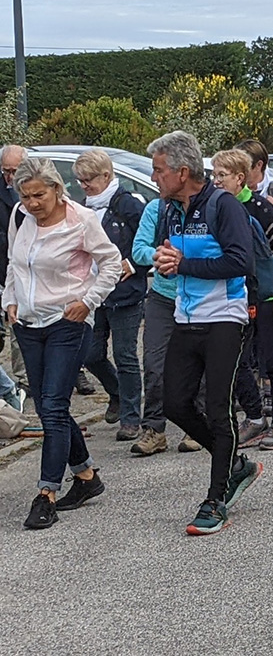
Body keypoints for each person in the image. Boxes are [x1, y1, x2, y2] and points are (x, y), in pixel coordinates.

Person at [149, 131, 263, 536]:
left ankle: (216, 499)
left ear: (183, 171)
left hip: (225, 318)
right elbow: (173, 254)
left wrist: (183, 265)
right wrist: (165, 260)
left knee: (219, 409)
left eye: (159, 170)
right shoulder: (169, 208)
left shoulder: (223, 205)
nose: (154, 176)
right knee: (175, 404)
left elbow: (240, 262)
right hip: (186, 317)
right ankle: (233, 461)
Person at [4, 158, 122, 529]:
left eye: (39, 194)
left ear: (57, 188)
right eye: (25, 196)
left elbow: (113, 264)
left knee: (53, 406)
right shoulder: (20, 218)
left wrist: (87, 301)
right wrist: (8, 298)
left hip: (66, 322)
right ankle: (87, 477)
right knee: (48, 406)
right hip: (27, 322)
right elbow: (14, 263)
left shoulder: (82, 220)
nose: (32, 203)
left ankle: (46, 494)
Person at [207, 150, 273, 452]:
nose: (216, 181)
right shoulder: (216, 209)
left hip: (270, 295)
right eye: (214, 175)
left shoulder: (260, 208)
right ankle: (255, 417)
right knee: (238, 360)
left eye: (222, 175)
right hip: (236, 297)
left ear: (239, 178)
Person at [73, 150, 148, 442]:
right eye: (80, 180)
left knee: (125, 354)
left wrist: (133, 263)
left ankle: (131, 417)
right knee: (90, 353)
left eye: (88, 179)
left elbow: (149, 238)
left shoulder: (128, 205)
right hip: (93, 292)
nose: (83, 185)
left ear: (106, 176)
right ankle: (116, 391)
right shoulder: (82, 209)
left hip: (125, 292)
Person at [130, 194, 197, 455]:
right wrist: (160, 253)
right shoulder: (156, 209)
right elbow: (138, 249)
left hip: (196, 294)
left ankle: (195, 425)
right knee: (154, 364)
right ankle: (154, 429)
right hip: (162, 296)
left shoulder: (208, 208)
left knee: (196, 364)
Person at [0, 145, 27, 389]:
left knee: (21, 325)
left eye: (14, 171)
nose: (10, 177)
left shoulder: (33, 191)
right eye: (6, 171)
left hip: (27, 268)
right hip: (4, 265)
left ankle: (24, 378)